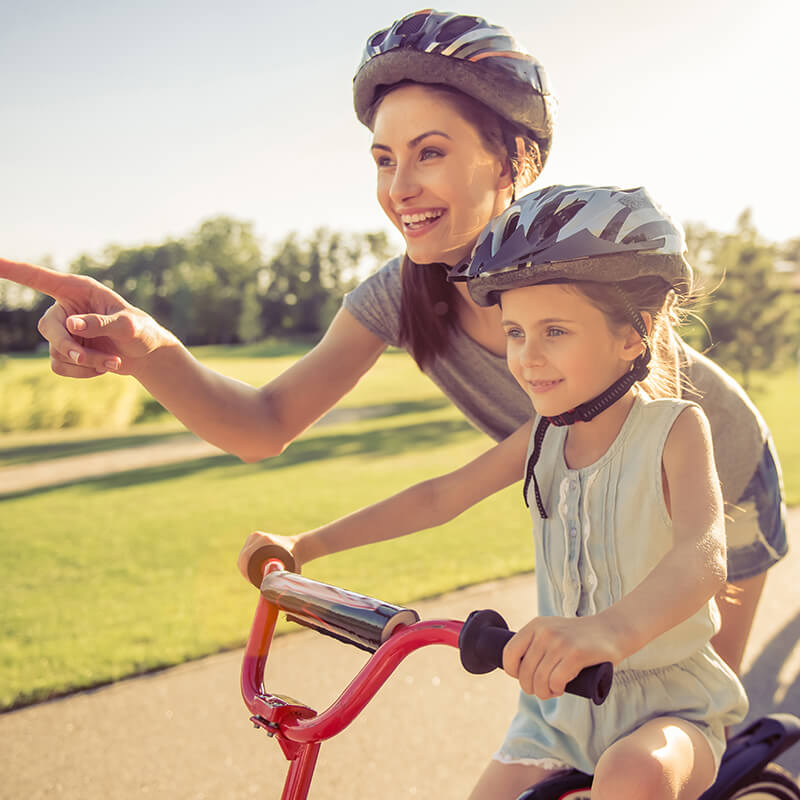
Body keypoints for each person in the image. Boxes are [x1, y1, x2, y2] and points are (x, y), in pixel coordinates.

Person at [0, 10, 786, 676]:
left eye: (431, 152)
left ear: (514, 158)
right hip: (595, 503)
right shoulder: (400, 293)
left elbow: (598, 471)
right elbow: (262, 423)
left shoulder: (584, 272)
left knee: (685, 716)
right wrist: (146, 347)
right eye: (384, 158)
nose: (399, 186)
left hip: (712, 481)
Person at [239, 185, 749, 800]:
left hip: (672, 708)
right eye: (514, 332)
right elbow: (438, 497)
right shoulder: (540, 437)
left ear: (633, 334)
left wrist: (609, 631)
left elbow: (703, 554)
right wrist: (306, 544)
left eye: (554, 330)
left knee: (631, 779)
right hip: (557, 715)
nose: (527, 358)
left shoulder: (673, 429)